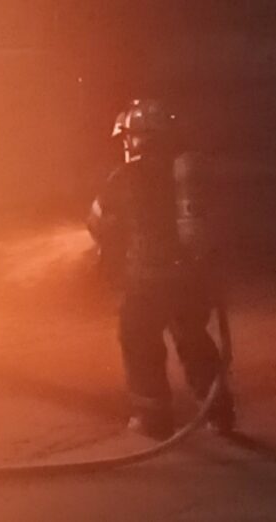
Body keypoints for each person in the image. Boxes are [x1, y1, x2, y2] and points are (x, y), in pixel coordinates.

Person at [87, 98, 234, 439]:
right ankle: (219, 412)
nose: (125, 143)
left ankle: (153, 419)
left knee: (138, 340)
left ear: (136, 138)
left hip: (146, 279)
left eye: (127, 136)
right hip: (191, 278)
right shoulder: (186, 173)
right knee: (194, 340)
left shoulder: (124, 176)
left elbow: (96, 222)